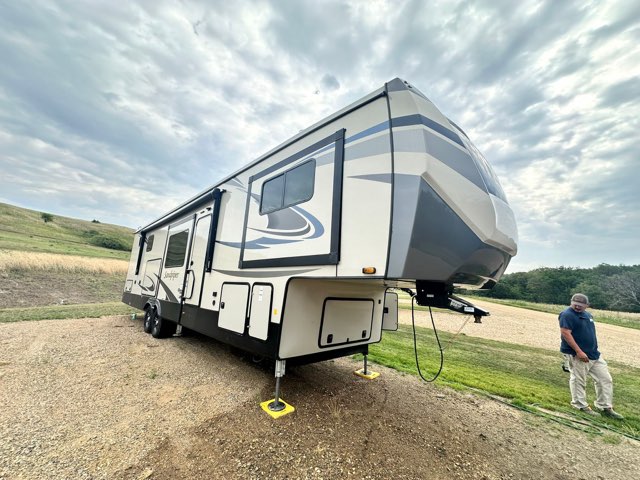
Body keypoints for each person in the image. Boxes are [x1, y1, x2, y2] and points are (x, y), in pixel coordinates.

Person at [559, 293, 623, 419]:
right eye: (575, 304)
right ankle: (580, 405)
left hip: (594, 354)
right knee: (578, 379)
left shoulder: (587, 315)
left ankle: (604, 407)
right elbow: (565, 333)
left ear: (587, 305)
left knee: (605, 379)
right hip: (578, 354)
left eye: (580, 305)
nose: (577, 307)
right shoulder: (567, 314)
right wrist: (578, 351)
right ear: (571, 302)